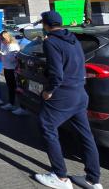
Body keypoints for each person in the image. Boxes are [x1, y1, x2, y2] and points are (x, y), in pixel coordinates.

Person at [34, 11, 102, 189]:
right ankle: (93, 179)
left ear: (46, 25)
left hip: (63, 94)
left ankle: (60, 177)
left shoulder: (51, 42)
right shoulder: (73, 39)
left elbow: (57, 73)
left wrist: (49, 91)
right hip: (80, 92)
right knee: (85, 134)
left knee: (47, 126)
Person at [0, 31, 20, 111]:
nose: (1, 41)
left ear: (6, 37)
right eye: (0, 39)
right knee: (10, 87)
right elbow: (5, 56)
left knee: (15, 87)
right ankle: (11, 103)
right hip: (7, 68)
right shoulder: (4, 44)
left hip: (13, 69)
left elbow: (12, 59)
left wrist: (1, 53)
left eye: (2, 39)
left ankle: (19, 106)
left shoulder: (13, 45)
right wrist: (1, 52)